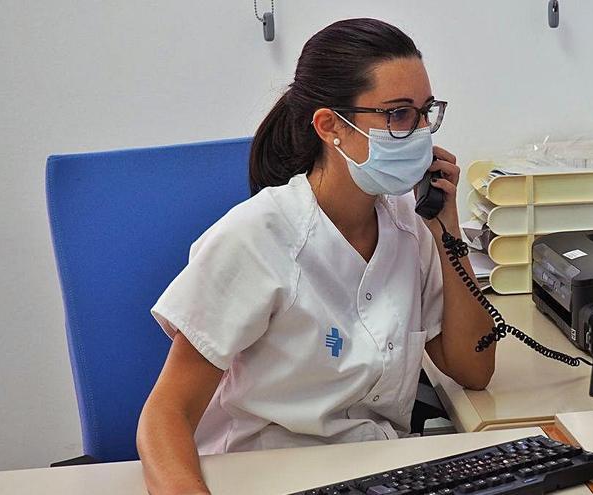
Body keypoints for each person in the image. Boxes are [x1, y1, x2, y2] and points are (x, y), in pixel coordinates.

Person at [136, 18, 496, 495]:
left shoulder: (411, 226)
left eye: (425, 112)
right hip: (262, 474)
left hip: (379, 473)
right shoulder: (257, 237)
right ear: (331, 127)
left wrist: (446, 230)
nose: (419, 132)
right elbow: (165, 414)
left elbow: (473, 370)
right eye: (398, 114)